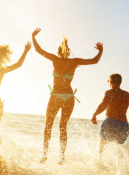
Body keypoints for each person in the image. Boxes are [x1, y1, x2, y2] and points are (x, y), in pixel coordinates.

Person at [31, 28, 103, 164]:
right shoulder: (75, 61)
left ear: (58, 52)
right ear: (68, 52)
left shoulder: (54, 59)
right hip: (69, 97)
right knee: (63, 127)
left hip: (56, 95)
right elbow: (95, 61)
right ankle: (61, 157)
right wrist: (100, 50)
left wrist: (33, 36)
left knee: (48, 125)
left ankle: (45, 156)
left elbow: (38, 50)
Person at [91, 73, 129, 153]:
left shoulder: (110, 92)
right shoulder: (128, 94)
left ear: (110, 82)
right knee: (118, 150)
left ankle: (100, 164)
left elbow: (104, 104)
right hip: (124, 125)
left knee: (102, 148)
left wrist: (95, 114)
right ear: (120, 82)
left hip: (110, 122)